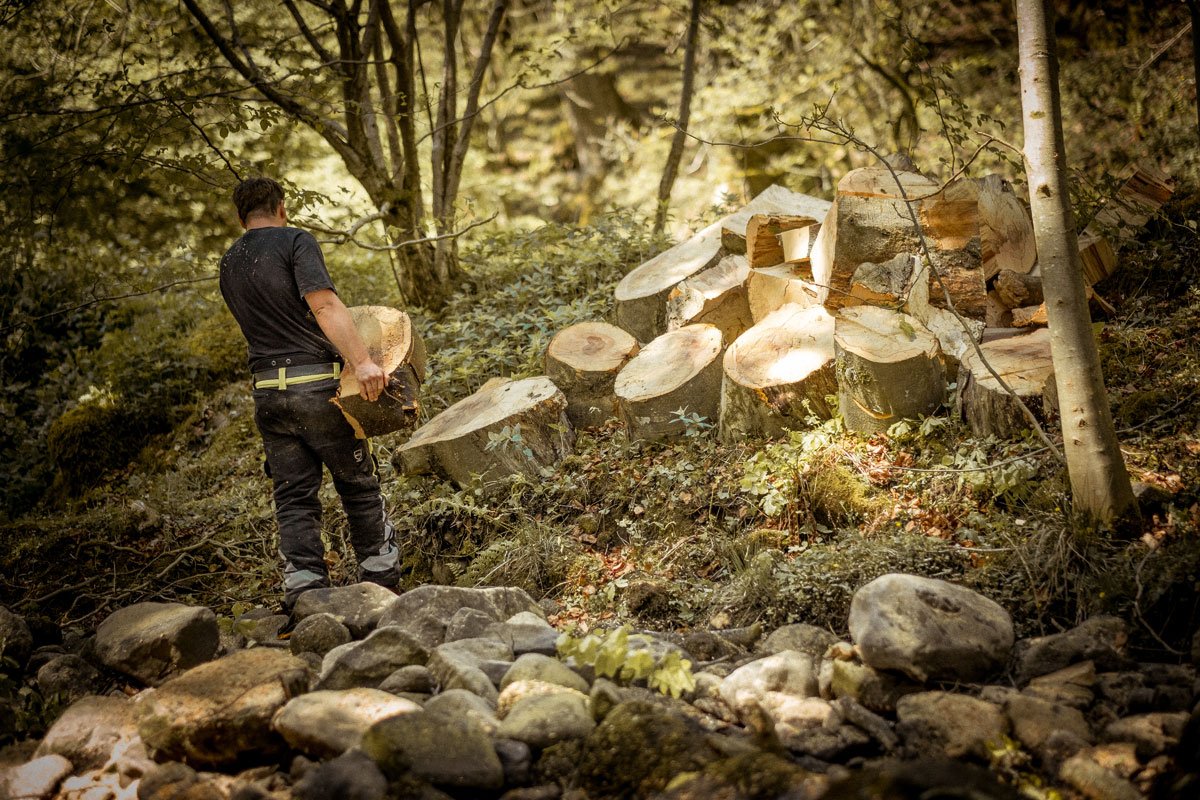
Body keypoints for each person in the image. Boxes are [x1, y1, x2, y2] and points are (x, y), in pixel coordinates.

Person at [219, 176, 400, 609]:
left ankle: (304, 592)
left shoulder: (229, 262)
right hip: (317, 389)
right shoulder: (295, 240)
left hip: (267, 396)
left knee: (293, 495)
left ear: (240, 216)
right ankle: (381, 584)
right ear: (281, 207)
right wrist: (363, 363)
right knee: (356, 483)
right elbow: (324, 305)